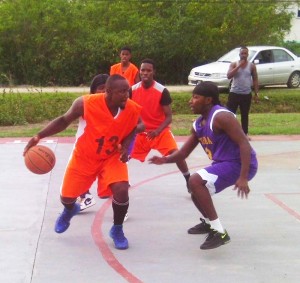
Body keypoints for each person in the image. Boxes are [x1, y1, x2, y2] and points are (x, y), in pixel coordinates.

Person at [23, 74, 144, 250]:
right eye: (121, 91)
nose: (126, 95)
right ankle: (70, 210)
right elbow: (64, 120)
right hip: (84, 157)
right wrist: (39, 135)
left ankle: (117, 229)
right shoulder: (86, 103)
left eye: (128, 90)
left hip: (111, 158)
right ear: (108, 92)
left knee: (122, 190)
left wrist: (127, 143)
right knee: (66, 197)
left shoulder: (131, 108)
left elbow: (138, 125)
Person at [149, 81, 258, 250]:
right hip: (225, 163)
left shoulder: (222, 116)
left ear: (208, 100)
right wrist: (164, 160)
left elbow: (244, 143)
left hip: (241, 163)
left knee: (195, 181)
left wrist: (243, 177)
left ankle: (220, 232)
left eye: (195, 97)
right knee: (196, 191)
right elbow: (183, 153)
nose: (190, 101)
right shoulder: (199, 124)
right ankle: (209, 224)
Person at [130, 58, 191, 190]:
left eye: (148, 70)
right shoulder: (132, 90)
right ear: (139, 72)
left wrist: (158, 131)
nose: (145, 73)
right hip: (141, 132)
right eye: (143, 70)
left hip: (159, 131)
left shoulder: (161, 91)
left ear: (154, 72)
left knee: (176, 153)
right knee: (120, 153)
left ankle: (188, 179)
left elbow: (169, 117)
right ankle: (119, 180)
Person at [76, 74, 109, 211]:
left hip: (105, 151)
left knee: (111, 181)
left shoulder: (116, 106)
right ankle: (85, 196)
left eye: (105, 89)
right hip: (85, 148)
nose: (102, 92)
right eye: (99, 89)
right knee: (78, 178)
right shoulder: (86, 103)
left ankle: (118, 208)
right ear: (93, 90)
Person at [226, 45, 259, 138]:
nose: (243, 55)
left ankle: (245, 134)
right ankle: (229, 133)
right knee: (230, 114)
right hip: (234, 93)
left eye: (245, 53)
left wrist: (256, 93)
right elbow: (228, 75)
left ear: (248, 54)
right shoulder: (234, 64)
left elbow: (255, 79)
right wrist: (239, 66)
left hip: (246, 94)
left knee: (245, 115)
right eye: (242, 53)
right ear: (239, 54)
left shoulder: (252, 66)